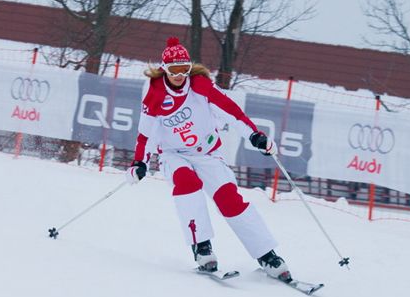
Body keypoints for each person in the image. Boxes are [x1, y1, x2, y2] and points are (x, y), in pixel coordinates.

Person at [125, 37, 291, 281]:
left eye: (185, 69)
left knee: (229, 199)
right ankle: (202, 248)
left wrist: (254, 135)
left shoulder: (200, 86)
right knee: (187, 183)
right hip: (175, 155)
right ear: (164, 69)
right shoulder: (155, 93)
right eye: (174, 70)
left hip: (207, 153)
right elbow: (145, 134)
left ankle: (267, 255)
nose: (180, 76)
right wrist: (140, 162)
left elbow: (232, 112)